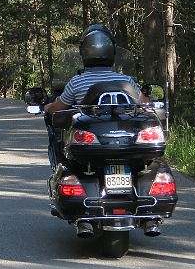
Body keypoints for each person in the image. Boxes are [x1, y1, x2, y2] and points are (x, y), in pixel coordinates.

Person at [43, 24, 149, 167]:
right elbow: (145, 104)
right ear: (112, 51)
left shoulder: (77, 82)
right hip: (125, 141)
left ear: (84, 52)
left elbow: (59, 107)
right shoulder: (126, 80)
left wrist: (48, 106)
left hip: (90, 144)